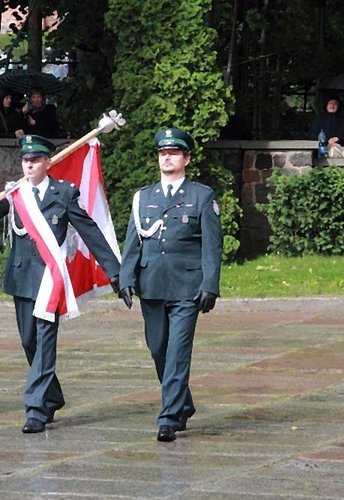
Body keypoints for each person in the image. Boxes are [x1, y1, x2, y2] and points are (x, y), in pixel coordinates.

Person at [0, 135, 122, 434]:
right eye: (25, 160)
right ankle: (53, 396)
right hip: (21, 277)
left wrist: (116, 273)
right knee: (29, 342)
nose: (29, 164)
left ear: (48, 162)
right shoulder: (16, 193)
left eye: (35, 160)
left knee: (44, 343)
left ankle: (36, 408)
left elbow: (90, 231)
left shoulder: (64, 193)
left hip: (49, 279)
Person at [118, 128, 223, 443]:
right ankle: (183, 403)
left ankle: (169, 417)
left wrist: (210, 284)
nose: (167, 157)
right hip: (151, 285)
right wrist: (125, 278)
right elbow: (133, 243)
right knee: (158, 348)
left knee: (177, 352)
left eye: (174, 153)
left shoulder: (201, 196)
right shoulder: (143, 197)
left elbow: (212, 246)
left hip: (187, 286)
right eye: (163, 153)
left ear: (186, 159)